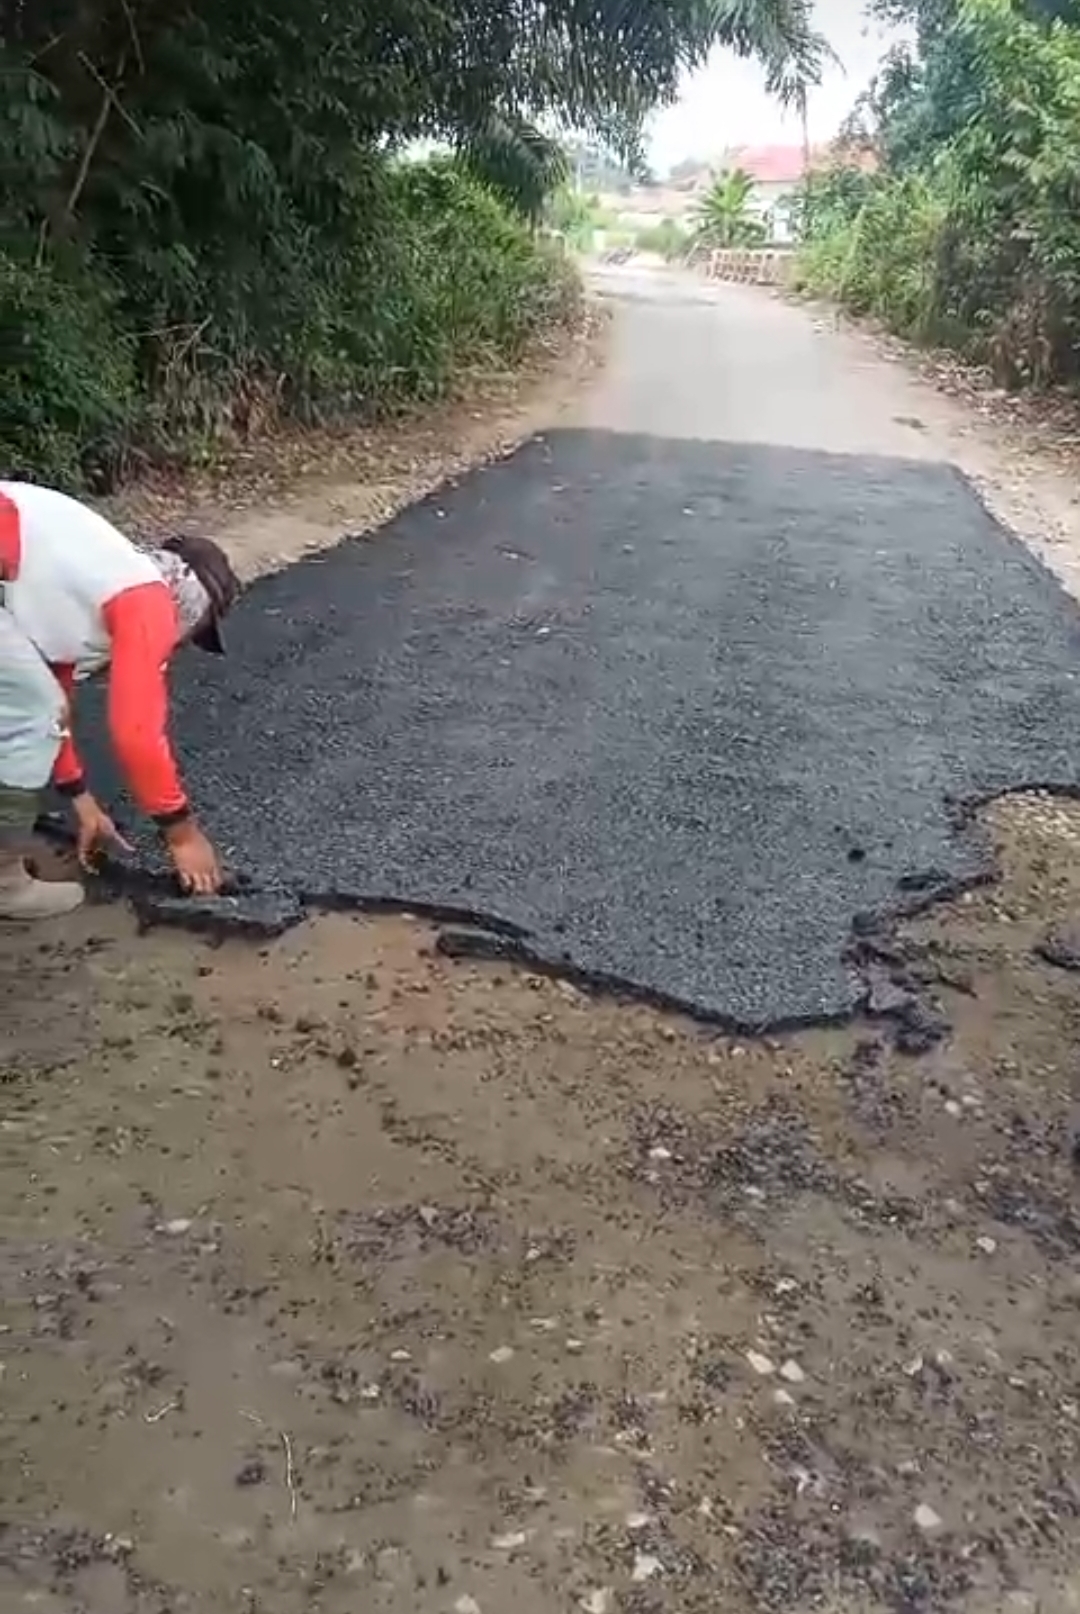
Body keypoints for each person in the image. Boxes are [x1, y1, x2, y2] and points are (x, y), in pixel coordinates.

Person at [0, 480, 240, 920]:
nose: (182, 644)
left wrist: (80, 799)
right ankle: (5, 884)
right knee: (26, 710)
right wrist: (182, 834)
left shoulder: (83, 589)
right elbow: (136, 735)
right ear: (190, 604)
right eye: (193, 631)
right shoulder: (146, 600)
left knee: (25, 705)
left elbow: (57, 708)